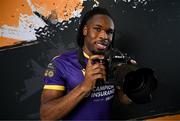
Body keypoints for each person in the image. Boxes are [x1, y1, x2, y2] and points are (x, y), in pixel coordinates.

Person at [40, 7, 132, 120]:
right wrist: (84, 86)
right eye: (97, 29)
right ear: (85, 30)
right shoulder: (60, 63)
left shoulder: (114, 62)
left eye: (109, 32)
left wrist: (131, 78)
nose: (104, 36)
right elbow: (46, 116)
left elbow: (124, 99)